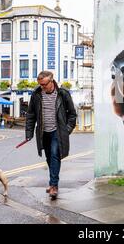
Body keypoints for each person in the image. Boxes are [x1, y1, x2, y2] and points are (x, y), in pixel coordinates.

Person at [25, 71, 77, 199]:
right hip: (43, 131)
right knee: (49, 158)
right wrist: (29, 133)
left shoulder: (63, 93)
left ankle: (53, 185)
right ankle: (53, 182)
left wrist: (66, 130)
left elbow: (72, 114)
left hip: (57, 131)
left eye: (44, 84)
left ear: (52, 81)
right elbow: (31, 114)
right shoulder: (37, 94)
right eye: (40, 84)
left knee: (54, 155)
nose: (42, 87)